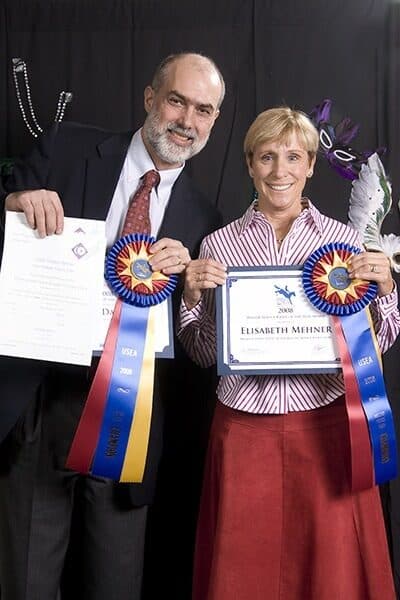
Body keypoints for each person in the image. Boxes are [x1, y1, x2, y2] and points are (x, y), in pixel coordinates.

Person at [0, 52, 224, 600]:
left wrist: (190, 287)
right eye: (176, 101)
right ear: (150, 98)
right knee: (25, 587)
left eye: (203, 110)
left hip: (130, 423)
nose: (186, 121)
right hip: (42, 407)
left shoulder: (207, 220)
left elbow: (195, 342)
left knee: (115, 588)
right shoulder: (67, 147)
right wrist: (12, 202)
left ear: (214, 121)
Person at [178, 107, 400, 600]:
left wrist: (386, 290)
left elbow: (377, 343)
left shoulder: (344, 243)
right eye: (267, 157)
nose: (280, 171)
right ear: (250, 164)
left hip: (326, 428)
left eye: (294, 157)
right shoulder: (218, 246)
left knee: (332, 576)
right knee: (241, 574)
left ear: (311, 165)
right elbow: (203, 352)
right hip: (243, 430)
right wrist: (191, 299)